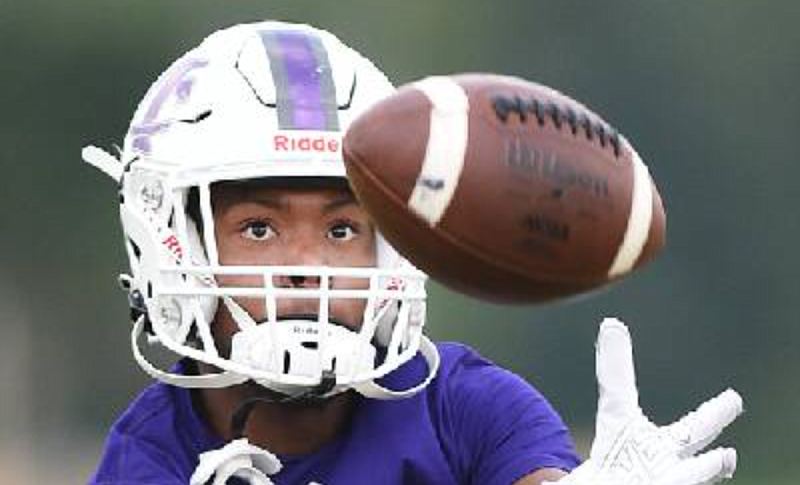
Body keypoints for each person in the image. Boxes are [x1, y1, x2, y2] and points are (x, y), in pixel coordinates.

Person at [81, 20, 743, 485]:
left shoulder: (466, 407)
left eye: (343, 230)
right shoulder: (145, 464)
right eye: (259, 228)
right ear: (168, 243)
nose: (308, 263)